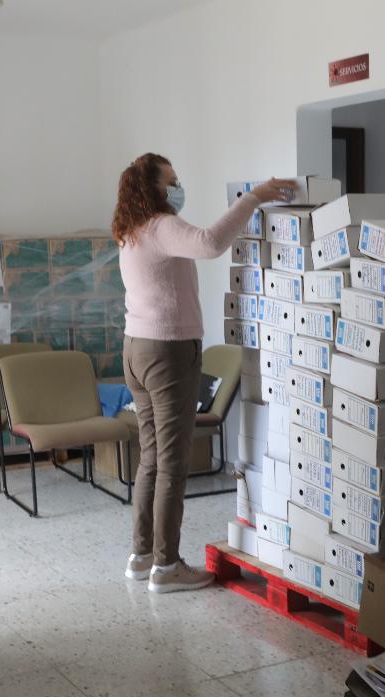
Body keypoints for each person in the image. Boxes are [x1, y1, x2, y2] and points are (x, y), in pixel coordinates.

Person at [112, 153, 296, 593]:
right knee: (173, 462)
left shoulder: (131, 231)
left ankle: (142, 556)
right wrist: (253, 198)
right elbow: (212, 242)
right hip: (168, 352)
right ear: (151, 188)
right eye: (171, 181)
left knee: (151, 457)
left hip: (135, 349)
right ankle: (168, 565)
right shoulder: (160, 226)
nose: (177, 187)